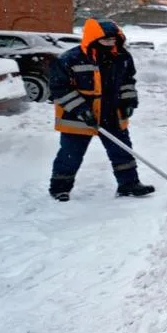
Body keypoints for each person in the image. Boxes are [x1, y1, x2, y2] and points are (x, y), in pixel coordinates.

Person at [48, 18, 155, 201]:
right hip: (78, 117)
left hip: (112, 114)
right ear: (93, 38)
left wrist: (128, 101)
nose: (110, 44)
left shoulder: (122, 57)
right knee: (70, 154)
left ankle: (128, 184)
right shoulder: (70, 58)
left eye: (113, 40)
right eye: (106, 40)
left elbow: (128, 81)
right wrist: (81, 109)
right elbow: (59, 88)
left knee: (122, 151)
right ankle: (59, 188)